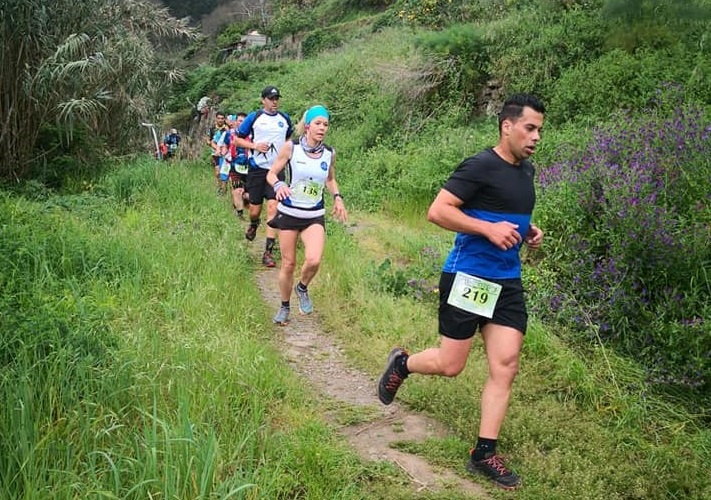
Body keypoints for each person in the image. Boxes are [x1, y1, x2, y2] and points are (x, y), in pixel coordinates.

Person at [376, 94, 546, 490]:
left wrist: (527, 232)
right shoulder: (480, 165)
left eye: (539, 129)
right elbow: (438, 211)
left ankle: (484, 453)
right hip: (469, 278)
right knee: (451, 365)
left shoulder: (527, 171)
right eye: (530, 128)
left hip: (507, 282)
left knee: (506, 364)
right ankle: (403, 364)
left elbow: (509, 216)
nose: (536, 136)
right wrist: (487, 230)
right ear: (507, 126)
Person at [265, 105, 347, 325]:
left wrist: (337, 197)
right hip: (289, 213)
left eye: (326, 124)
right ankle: (284, 307)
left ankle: (302, 287)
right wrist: (279, 184)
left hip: (313, 214)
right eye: (318, 123)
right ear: (308, 125)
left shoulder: (329, 153)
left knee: (314, 259)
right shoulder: (291, 148)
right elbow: (271, 174)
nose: (322, 128)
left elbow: (329, 179)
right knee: (288, 264)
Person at [234, 86, 293, 267]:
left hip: (276, 171)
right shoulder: (254, 117)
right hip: (257, 169)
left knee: (273, 207)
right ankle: (253, 224)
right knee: (254, 209)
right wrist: (255, 146)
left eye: (276, 98)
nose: (274, 102)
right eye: (271, 98)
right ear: (263, 100)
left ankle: (267, 252)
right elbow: (237, 139)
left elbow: (289, 141)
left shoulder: (285, 119)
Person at [227, 112, 250, 219]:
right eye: (240, 121)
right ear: (235, 122)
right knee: (237, 191)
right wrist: (221, 151)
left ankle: (241, 204)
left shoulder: (252, 135)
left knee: (247, 196)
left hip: (250, 167)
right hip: (234, 166)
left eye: (244, 121)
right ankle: (240, 214)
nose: (242, 123)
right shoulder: (229, 134)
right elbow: (220, 145)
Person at [206, 111, 229, 195]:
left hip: (226, 154)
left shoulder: (227, 129)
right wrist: (213, 145)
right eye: (218, 118)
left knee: (225, 172)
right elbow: (208, 140)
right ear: (216, 118)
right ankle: (220, 189)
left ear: (224, 119)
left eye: (222, 118)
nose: (220, 120)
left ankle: (225, 190)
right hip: (215, 153)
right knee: (217, 172)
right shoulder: (212, 129)